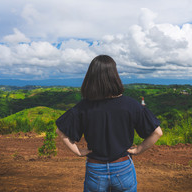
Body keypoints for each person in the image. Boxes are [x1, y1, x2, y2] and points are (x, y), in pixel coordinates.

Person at [56, 55, 163, 192]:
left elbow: (61, 131)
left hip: (95, 169)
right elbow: (157, 132)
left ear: (91, 77)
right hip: (123, 166)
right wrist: (138, 149)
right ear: (114, 76)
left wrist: (77, 151)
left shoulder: (83, 107)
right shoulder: (131, 105)